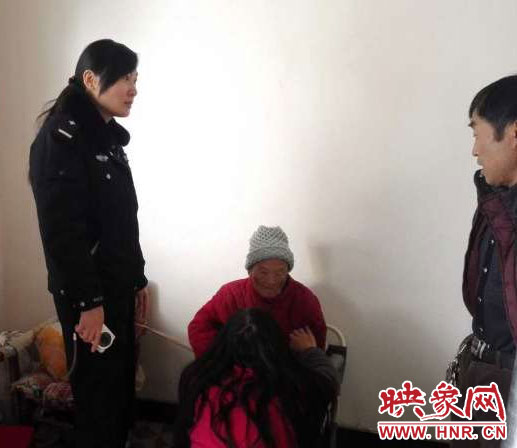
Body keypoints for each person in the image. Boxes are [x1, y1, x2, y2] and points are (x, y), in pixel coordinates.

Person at [29, 39, 149, 448]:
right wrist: (88, 303)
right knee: (98, 399)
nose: (133, 90)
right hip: (90, 296)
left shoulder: (105, 137)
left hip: (116, 288)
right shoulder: (62, 138)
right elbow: (62, 233)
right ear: (91, 79)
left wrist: (138, 279)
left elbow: (121, 221)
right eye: (125, 80)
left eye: (135, 79)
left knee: (119, 392)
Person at [455, 75, 517, 447]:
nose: (475, 150)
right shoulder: (494, 199)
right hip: (487, 366)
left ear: (514, 133)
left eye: (477, 133)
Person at [175, 308, 339, 448]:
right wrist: (310, 351)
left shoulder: (197, 379)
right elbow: (328, 381)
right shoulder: (292, 388)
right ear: (276, 347)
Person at [188, 225, 327, 358]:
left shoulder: (305, 300)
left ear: (287, 271)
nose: (271, 281)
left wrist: (308, 352)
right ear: (250, 270)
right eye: (263, 272)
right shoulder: (231, 294)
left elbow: (317, 349)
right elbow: (198, 327)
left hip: (286, 371)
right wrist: (220, 360)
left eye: (280, 272)